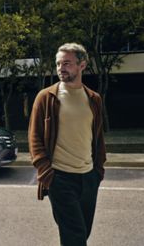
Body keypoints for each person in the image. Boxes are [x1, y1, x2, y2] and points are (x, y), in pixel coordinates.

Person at [28, 43, 106, 246]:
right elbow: (34, 138)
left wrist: (98, 171)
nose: (61, 68)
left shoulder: (93, 99)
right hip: (60, 178)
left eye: (67, 63)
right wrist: (47, 174)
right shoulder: (46, 98)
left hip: (89, 177)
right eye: (58, 64)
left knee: (82, 231)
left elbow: (97, 137)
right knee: (75, 234)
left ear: (82, 65)